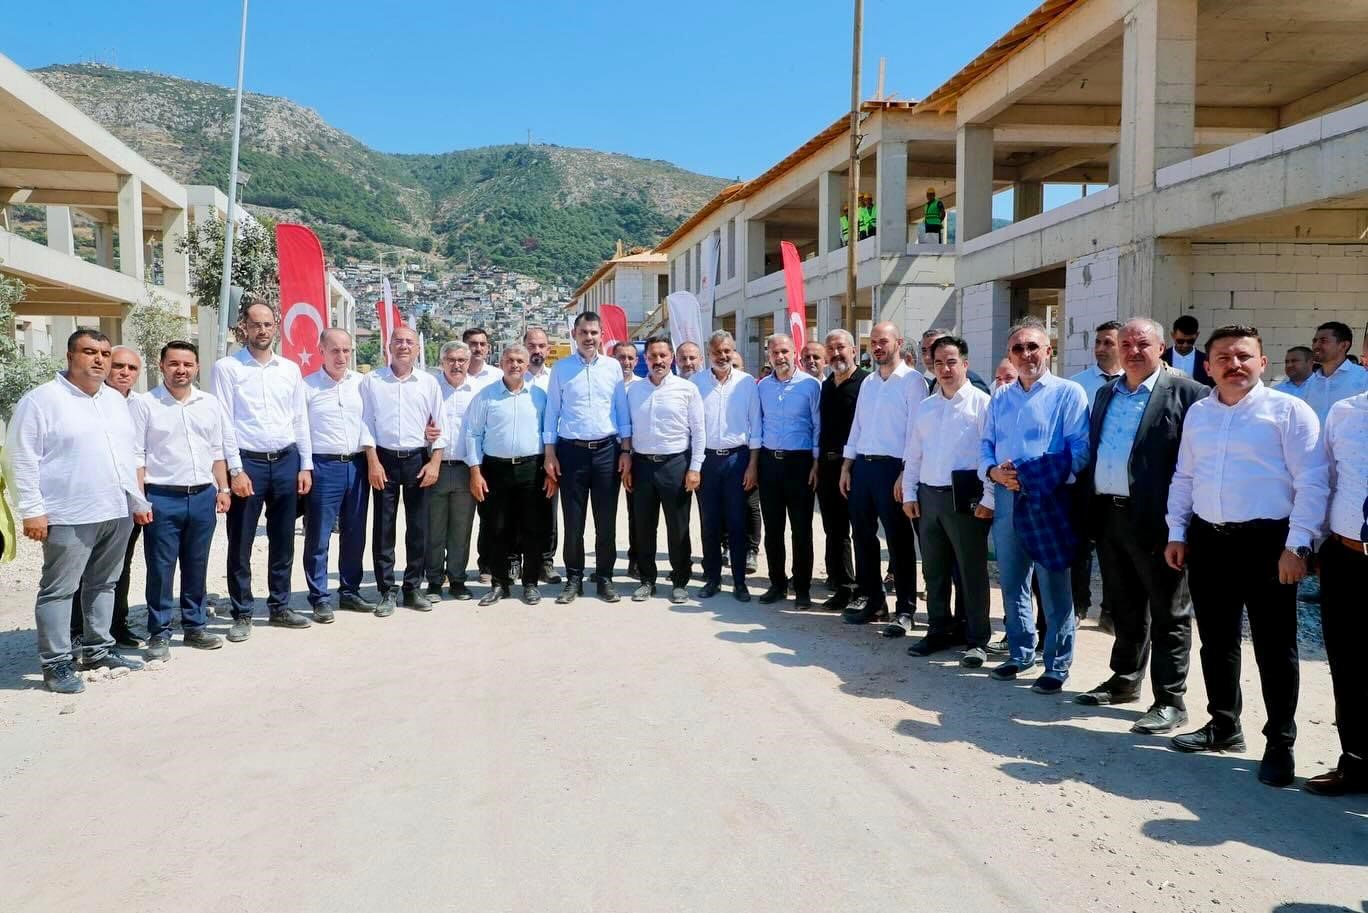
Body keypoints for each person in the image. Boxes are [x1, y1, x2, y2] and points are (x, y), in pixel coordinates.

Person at [1164, 325, 1328, 788]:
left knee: (1275, 649)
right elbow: (1185, 476)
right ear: (1208, 366)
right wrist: (1177, 531)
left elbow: (1312, 482)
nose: (1233, 365)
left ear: (1262, 362)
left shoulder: (1289, 412)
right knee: (1217, 641)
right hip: (1209, 540)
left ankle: (1280, 743)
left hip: (1268, 543)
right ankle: (1224, 724)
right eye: (1223, 358)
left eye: (1243, 356)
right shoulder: (1199, 413)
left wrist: (1297, 546)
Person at [1074, 319, 1207, 735]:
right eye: (1125, 344)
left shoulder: (1188, 394)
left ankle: (1170, 700)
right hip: (1110, 516)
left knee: (1169, 612)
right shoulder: (1106, 393)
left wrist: (1182, 527)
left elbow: (1195, 464)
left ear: (1161, 347)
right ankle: (1125, 680)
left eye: (1142, 344)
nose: (1133, 351)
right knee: (1125, 606)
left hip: (1159, 522)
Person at [7, 329, 146, 693]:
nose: (99, 359)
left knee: (105, 583)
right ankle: (56, 663)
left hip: (115, 510)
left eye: (104, 353)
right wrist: (32, 511)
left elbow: (128, 453)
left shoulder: (114, 401)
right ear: (70, 356)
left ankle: (98, 650)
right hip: (68, 513)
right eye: (89, 352)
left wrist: (136, 500)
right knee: (59, 590)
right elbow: (22, 458)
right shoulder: (42, 401)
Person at [980, 318, 1090, 693]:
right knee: (1012, 582)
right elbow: (986, 445)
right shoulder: (1001, 397)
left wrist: (1037, 476)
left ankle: (1057, 664)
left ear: (1048, 350)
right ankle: (1020, 652)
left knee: (1053, 585)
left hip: (1049, 498)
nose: (1026, 354)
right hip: (1007, 497)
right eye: (1018, 348)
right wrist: (993, 472)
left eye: (1033, 347)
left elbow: (1079, 450)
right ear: (1009, 355)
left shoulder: (1068, 393)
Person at [213, 298, 313, 642]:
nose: (262, 330)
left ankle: (280, 606)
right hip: (248, 463)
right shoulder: (228, 368)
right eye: (255, 324)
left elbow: (300, 419)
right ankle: (242, 612)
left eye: (268, 324)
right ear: (244, 327)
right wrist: (235, 470)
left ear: (276, 327)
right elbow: (224, 421)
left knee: (283, 539)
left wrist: (305, 465)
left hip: (286, 460)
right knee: (240, 541)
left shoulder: (289, 369)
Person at [132, 341, 232, 657]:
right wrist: (140, 500)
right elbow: (137, 455)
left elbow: (216, 450)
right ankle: (159, 633)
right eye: (174, 363)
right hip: (162, 497)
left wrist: (223, 488)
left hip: (202, 496)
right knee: (161, 569)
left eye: (187, 364)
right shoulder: (146, 404)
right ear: (161, 366)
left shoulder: (209, 404)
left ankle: (195, 626)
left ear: (197, 367)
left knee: (196, 565)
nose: (181, 370)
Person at [901, 335, 995, 665]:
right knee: (934, 570)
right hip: (929, 497)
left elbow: (990, 454)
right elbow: (914, 454)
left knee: (971, 572)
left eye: (951, 362)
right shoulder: (926, 407)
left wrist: (989, 498)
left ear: (965, 364)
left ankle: (977, 639)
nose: (944, 369)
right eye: (939, 362)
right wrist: (909, 492)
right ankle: (938, 630)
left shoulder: (982, 404)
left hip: (965, 498)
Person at [543, 312, 630, 604]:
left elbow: (622, 411)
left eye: (594, 332)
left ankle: (604, 578)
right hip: (572, 453)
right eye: (583, 332)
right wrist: (550, 453)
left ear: (601, 335)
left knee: (606, 521)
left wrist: (626, 450)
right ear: (574, 335)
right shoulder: (561, 369)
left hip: (607, 451)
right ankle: (574, 579)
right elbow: (552, 412)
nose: (589, 338)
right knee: (573, 521)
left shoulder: (613, 368)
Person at [840, 322, 923, 627]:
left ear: (898, 342)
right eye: (873, 342)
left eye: (883, 341)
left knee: (898, 541)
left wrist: (906, 473)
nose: (877, 347)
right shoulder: (869, 382)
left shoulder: (913, 381)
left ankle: (905, 609)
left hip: (893, 468)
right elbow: (857, 426)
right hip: (863, 466)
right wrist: (847, 466)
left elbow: (916, 432)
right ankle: (874, 601)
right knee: (862, 536)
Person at [1307, 388, 1368, 796]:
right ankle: (1357, 763)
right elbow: (1325, 481)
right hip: (1346, 557)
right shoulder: (1345, 413)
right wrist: (1311, 543)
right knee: (1349, 667)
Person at [361, 324, 444, 616]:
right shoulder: (372, 381)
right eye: (398, 341)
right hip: (383, 459)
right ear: (389, 346)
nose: (404, 346)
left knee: (418, 527)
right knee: (383, 528)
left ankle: (412, 587)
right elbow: (365, 423)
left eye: (409, 342)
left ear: (417, 349)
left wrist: (435, 462)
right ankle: (386, 589)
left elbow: (440, 425)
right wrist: (373, 461)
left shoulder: (428, 383)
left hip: (417, 459)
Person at [69, 344, 145, 649]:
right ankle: (77, 631)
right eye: (119, 366)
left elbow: (140, 454)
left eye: (132, 368)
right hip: (88, 501)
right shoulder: (84, 400)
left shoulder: (141, 405)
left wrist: (140, 499)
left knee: (119, 566)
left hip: (127, 501)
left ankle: (116, 626)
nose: (124, 372)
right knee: (81, 568)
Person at [620, 336, 705, 604]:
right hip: (642, 465)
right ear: (646, 359)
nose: (658, 361)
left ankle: (680, 581)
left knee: (677, 526)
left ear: (671, 358)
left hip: (675, 465)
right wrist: (628, 460)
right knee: (644, 526)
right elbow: (627, 428)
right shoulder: (634, 391)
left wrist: (695, 467)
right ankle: (647, 580)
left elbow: (698, 431)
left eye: (663, 356)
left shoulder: (687, 389)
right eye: (652, 356)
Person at [467, 345, 552, 606]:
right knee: (496, 528)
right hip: (496, 469)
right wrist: (475, 472)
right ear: (501, 363)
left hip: (531, 469)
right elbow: (473, 434)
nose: (515, 365)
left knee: (532, 528)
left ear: (527, 365)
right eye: (510, 360)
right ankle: (499, 583)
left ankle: (530, 583)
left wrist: (550, 470)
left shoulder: (539, 396)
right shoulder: (486, 396)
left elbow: (549, 433)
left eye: (520, 361)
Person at [301, 329, 374, 619]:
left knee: (354, 533)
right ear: (321, 351)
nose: (341, 356)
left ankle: (350, 591)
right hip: (323, 467)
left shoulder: (362, 384)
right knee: (318, 536)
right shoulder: (307, 387)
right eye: (334, 350)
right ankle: (319, 597)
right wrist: (305, 467)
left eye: (346, 350)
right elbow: (300, 431)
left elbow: (374, 422)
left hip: (357, 465)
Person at [692, 330, 760, 601]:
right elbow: (691, 428)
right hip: (707, 461)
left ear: (733, 351)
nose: (723, 356)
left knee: (737, 522)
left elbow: (756, 427)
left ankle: (740, 582)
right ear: (709, 353)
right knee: (709, 522)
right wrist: (694, 466)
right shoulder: (696, 383)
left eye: (727, 351)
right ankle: (712, 579)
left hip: (737, 460)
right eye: (717, 351)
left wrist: (752, 465)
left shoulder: (747, 383)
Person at [756, 333, 821, 608]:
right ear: (768, 356)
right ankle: (777, 584)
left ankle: (802, 587)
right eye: (775, 352)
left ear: (794, 353)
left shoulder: (810, 385)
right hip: (770, 462)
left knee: (801, 529)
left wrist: (816, 463)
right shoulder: (762, 387)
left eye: (784, 351)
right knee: (773, 529)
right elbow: (757, 424)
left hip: (800, 463)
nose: (780, 357)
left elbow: (818, 425)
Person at [1068, 321, 1126, 626]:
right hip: (1083, 478)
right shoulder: (1077, 385)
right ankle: (1078, 605)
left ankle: (1112, 610)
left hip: (1117, 480)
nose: (1101, 348)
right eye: (1098, 342)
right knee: (1079, 545)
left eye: (1109, 343)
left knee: (1113, 547)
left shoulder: (1133, 384)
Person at [815, 329, 868, 611]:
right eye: (831, 349)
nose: (836, 354)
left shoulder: (867, 383)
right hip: (827, 467)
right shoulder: (826, 386)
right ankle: (845, 587)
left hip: (856, 468)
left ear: (854, 350)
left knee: (861, 530)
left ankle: (866, 589)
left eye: (841, 348)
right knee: (835, 530)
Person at [425, 341, 480, 602]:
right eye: (451, 360)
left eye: (461, 360)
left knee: (461, 529)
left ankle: (457, 579)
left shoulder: (478, 390)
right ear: (442, 362)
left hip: (465, 469)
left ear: (468, 363)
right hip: (435, 467)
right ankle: (434, 581)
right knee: (434, 529)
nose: (456, 365)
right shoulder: (430, 388)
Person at [522, 327, 561, 585]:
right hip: (521, 454)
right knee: (519, 511)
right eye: (531, 346)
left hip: (550, 454)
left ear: (548, 349)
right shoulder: (514, 376)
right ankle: (517, 561)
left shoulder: (555, 378)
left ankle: (546, 562)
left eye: (541, 346)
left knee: (548, 511)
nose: (536, 351)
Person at [613, 340, 643, 580]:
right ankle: (604, 563)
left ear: (637, 361)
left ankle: (636, 560)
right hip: (606, 451)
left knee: (637, 511)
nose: (626, 362)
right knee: (605, 511)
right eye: (621, 357)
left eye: (630, 358)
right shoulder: (606, 385)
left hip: (633, 453)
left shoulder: (642, 387)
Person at [1305, 321, 1368, 424]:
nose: (1316, 345)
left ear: (1343, 345)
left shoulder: (1364, 378)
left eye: (1323, 341)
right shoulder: (1308, 383)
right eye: (1314, 341)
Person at [1162, 315, 1213, 385]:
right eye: (1180, 341)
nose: (1185, 345)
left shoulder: (1207, 361)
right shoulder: (1161, 358)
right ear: (1173, 335)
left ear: (1197, 335)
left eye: (1190, 341)